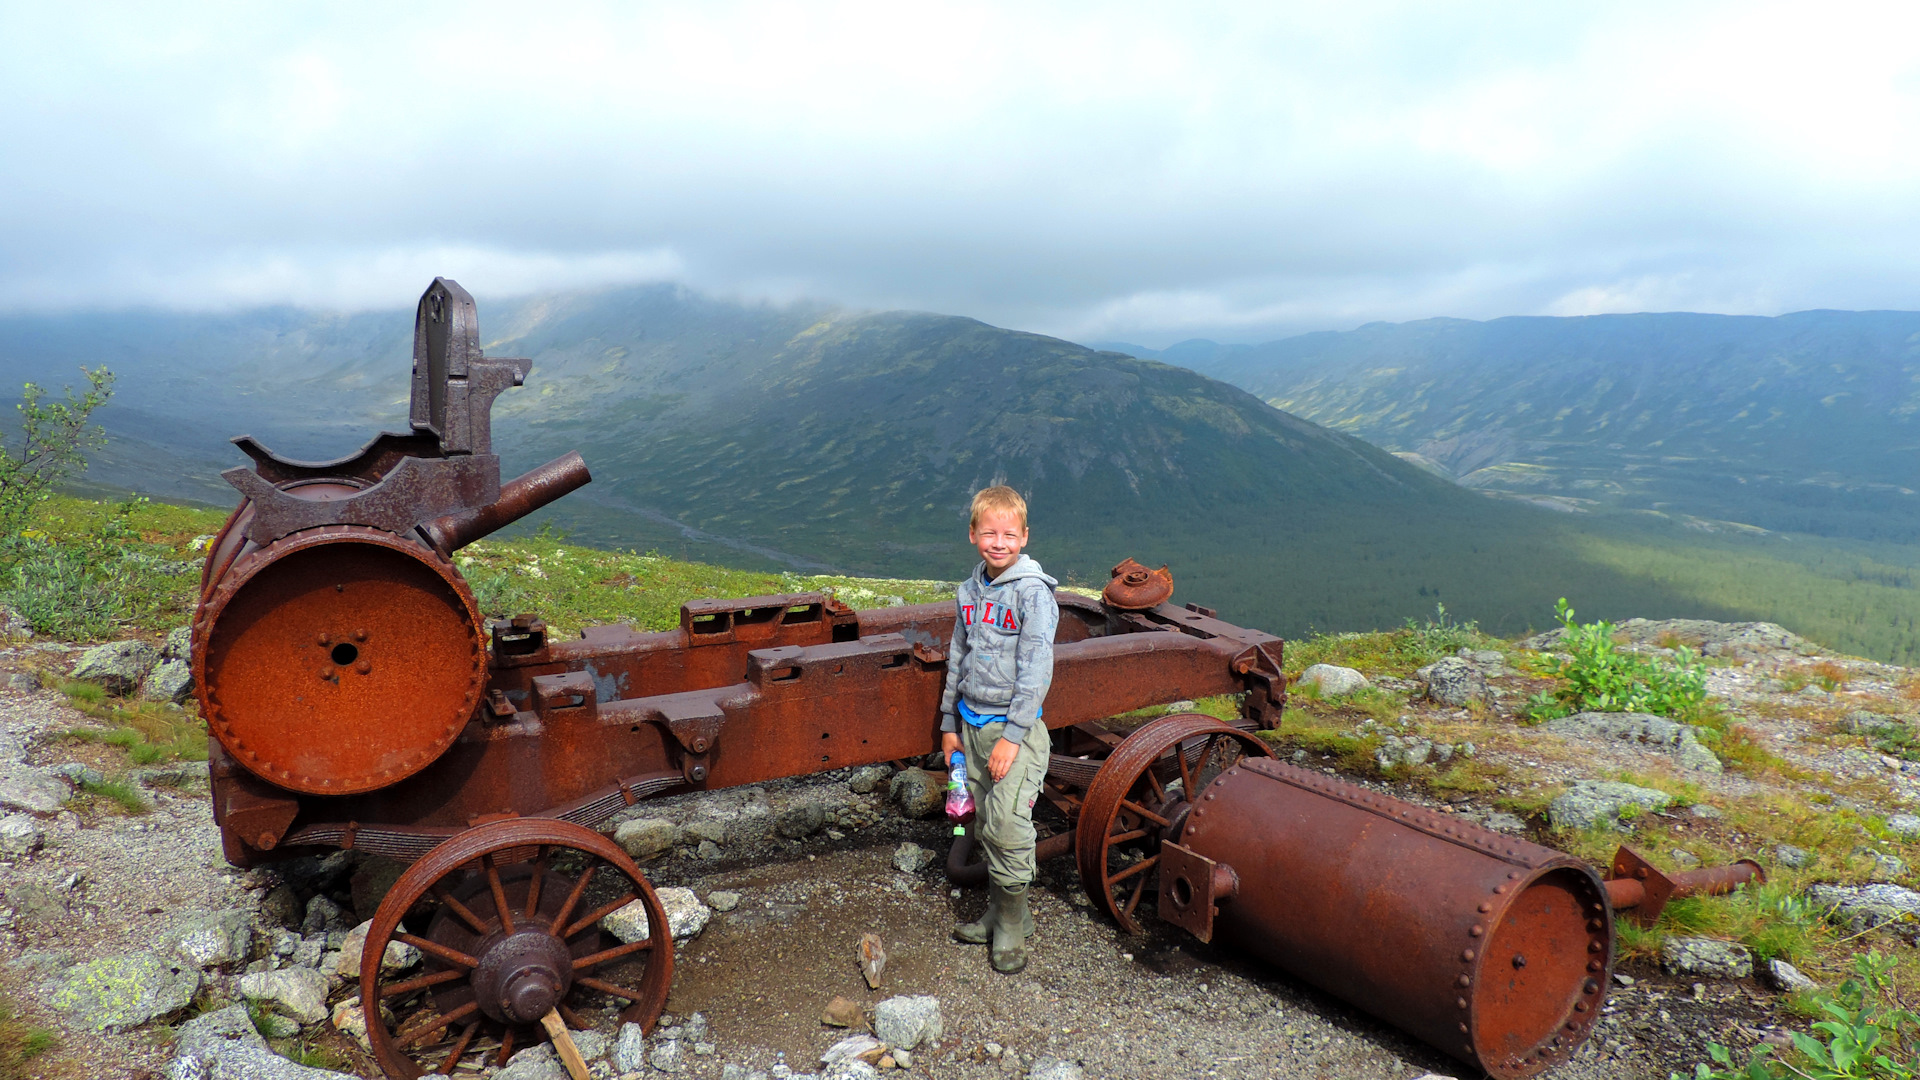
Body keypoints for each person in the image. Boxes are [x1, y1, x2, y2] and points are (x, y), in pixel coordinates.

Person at [938, 485, 1058, 974]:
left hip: (1015, 734)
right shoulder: (970, 592)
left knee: (1009, 827)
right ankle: (1005, 913)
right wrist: (949, 724)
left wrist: (1011, 737)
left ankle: (1011, 926)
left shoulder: (1032, 593)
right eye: (989, 532)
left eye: (1010, 533)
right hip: (971, 725)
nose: (999, 541)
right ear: (973, 535)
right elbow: (956, 658)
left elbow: (1036, 672)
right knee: (986, 823)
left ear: (1025, 537)